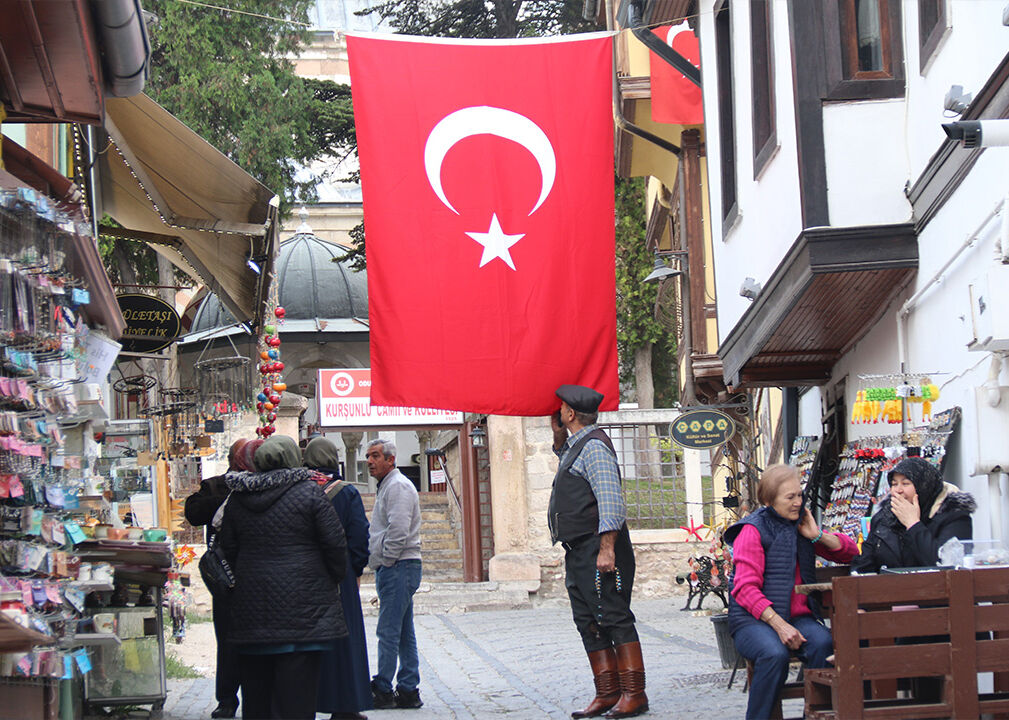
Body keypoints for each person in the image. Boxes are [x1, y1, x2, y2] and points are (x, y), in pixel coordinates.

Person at [218, 435, 348, 720]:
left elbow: (226, 549)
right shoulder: (310, 494)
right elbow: (336, 547)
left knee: (257, 702)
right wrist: (329, 581)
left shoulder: (239, 498)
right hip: (303, 618)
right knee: (297, 703)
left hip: (252, 616)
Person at [725, 464, 858, 720]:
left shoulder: (801, 526)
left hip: (799, 618)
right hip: (753, 621)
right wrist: (779, 625)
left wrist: (817, 536)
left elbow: (851, 554)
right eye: (790, 497)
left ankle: (817, 714)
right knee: (773, 654)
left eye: (799, 495)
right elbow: (744, 589)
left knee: (824, 644)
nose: (798, 502)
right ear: (769, 500)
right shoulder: (752, 530)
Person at [548, 384, 647, 719]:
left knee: (614, 618)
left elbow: (611, 502)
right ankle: (607, 693)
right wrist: (558, 440)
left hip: (597, 548)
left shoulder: (593, 448)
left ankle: (635, 694)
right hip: (579, 550)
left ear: (571, 413)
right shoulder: (577, 446)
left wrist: (607, 549)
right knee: (589, 621)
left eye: (562, 408)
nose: (558, 411)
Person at [305, 437, 373, 720]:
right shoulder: (346, 493)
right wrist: (355, 569)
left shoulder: (300, 489)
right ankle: (345, 704)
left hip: (306, 573)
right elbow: (359, 535)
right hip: (340, 575)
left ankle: (308, 699)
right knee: (345, 639)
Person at [184, 438, 247, 719]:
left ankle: (249, 698)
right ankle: (227, 699)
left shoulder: (267, 485)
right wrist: (222, 493)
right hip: (226, 577)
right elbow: (193, 513)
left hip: (255, 575)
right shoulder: (218, 486)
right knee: (228, 638)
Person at [366, 438, 423, 710]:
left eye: (376, 456)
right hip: (399, 565)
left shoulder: (397, 486)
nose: (370, 461)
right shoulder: (388, 486)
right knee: (402, 631)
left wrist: (387, 560)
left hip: (399, 565)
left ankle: (384, 687)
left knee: (388, 630)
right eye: (368, 456)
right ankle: (408, 688)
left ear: (391, 459)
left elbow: (398, 529)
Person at [852, 456, 976, 573]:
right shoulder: (883, 518)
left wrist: (913, 524)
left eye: (905, 484)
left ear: (923, 486)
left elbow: (945, 565)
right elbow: (864, 564)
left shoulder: (954, 517)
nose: (898, 490)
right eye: (894, 484)